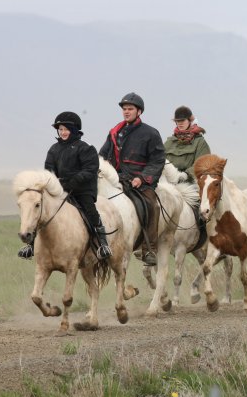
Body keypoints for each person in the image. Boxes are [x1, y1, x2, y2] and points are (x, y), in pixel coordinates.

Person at [18, 112, 112, 260]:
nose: (62, 132)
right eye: (60, 129)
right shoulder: (54, 149)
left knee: (90, 210)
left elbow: (89, 170)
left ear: (74, 130)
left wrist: (71, 182)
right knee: (42, 212)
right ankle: (31, 245)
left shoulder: (86, 148)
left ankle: (102, 244)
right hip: (60, 191)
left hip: (82, 191)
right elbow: (49, 171)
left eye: (66, 129)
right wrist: (53, 183)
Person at [99, 92, 165, 266]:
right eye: (124, 109)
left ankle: (149, 249)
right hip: (114, 179)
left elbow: (157, 160)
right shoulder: (114, 132)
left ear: (139, 111)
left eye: (130, 109)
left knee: (152, 205)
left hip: (139, 182)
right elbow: (103, 155)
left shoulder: (150, 133)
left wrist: (142, 179)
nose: (126, 112)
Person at [164, 106, 211, 182]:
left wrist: (186, 175)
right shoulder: (169, 142)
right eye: (177, 121)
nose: (180, 123)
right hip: (169, 181)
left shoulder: (200, 142)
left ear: (189, 121)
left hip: (190, 182)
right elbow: (158, 160)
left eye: (183, 120)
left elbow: (203, 164)